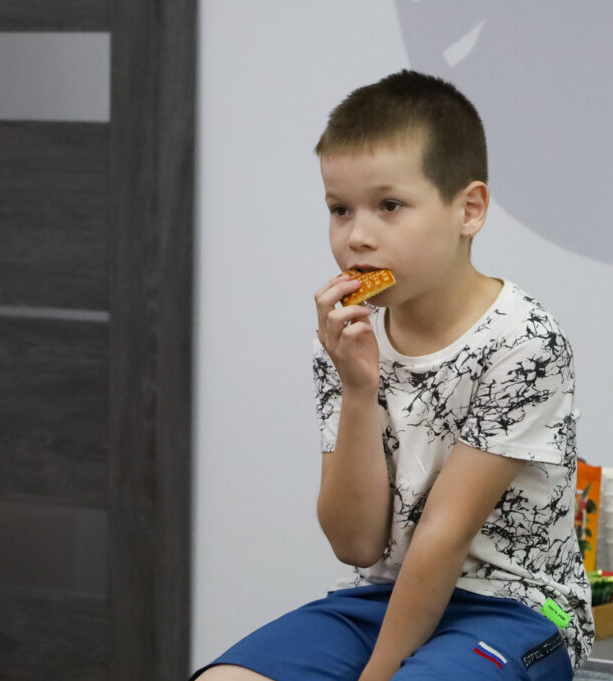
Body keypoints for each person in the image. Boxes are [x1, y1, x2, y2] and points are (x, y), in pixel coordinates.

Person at [193, 70, 592, 681]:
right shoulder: (348, 337)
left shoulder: (524, 340)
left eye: (389, 206)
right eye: (339, 209)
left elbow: (444, 535)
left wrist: (376, 675)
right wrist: (358, 388)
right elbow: (355, 544)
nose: (357, 236)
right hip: (382, 596)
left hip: (512, 609)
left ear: (469, 209)